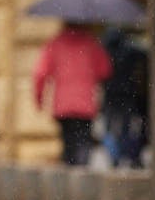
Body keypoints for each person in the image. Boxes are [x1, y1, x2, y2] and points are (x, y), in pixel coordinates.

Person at [33, 22, 112, 166]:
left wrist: (39, 99)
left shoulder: (55, 43)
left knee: (68, 143)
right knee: (83, 143)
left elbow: (40, 74)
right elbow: (105, 70)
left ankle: (69, 177)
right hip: (85, 105)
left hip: (63, 105)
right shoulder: (91, 43)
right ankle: (81, 177)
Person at [100, 28, 149, 168]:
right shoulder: (130, 51)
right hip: (128, 94)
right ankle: (130, 156)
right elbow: (144, 55)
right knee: (127, 128)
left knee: (109, 127)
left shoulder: (106, 51)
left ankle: (114, 156)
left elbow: (102, 73)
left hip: (111, 95)